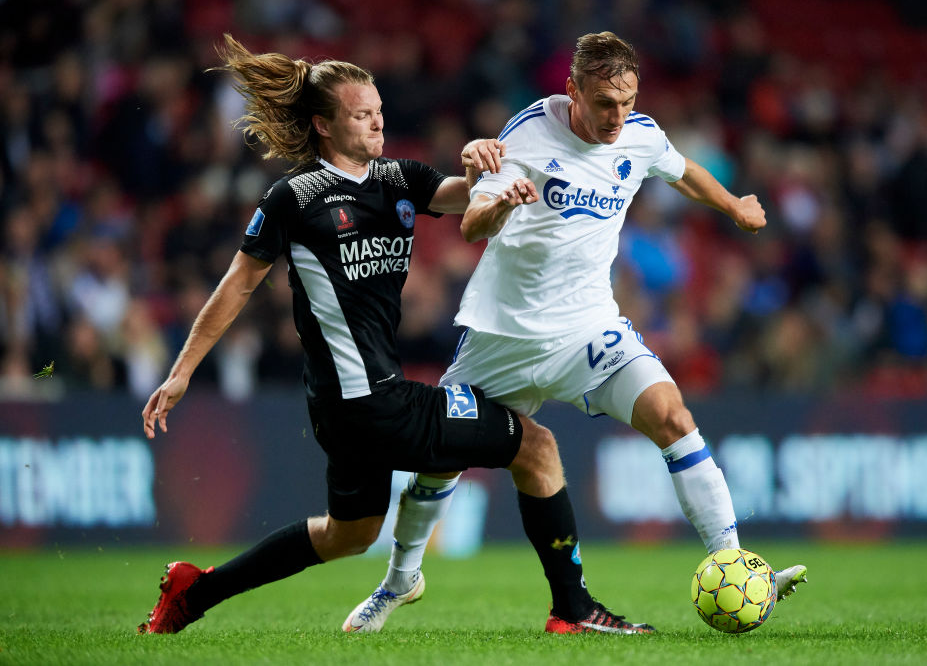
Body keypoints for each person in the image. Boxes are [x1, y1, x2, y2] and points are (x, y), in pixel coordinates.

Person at [137, 34, 651, 636]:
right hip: (369, 401)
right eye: (361, 114)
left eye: (379, 110)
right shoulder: (294, 198)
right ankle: (573, 609)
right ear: (324, 126)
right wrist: (181, 371)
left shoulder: (397, 177)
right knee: (535, 447)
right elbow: (237, 284)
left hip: (349, 406)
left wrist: (500, 175)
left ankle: (194, 593)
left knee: (348, 533)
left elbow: (464, 198)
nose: (378, 121)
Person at [346, 31, 808, 634]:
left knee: (673, 416)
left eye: (627, 101)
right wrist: (505, 201)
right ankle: (399, 581)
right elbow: (471, 225)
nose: (618, 117)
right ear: (573, 91)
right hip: (503, 337)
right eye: (604, 104)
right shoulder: (527, 134)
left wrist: (732, 205)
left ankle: (733, 563)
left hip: (589, 328)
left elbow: (682, 171)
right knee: (439, 466)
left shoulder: (639, 134)